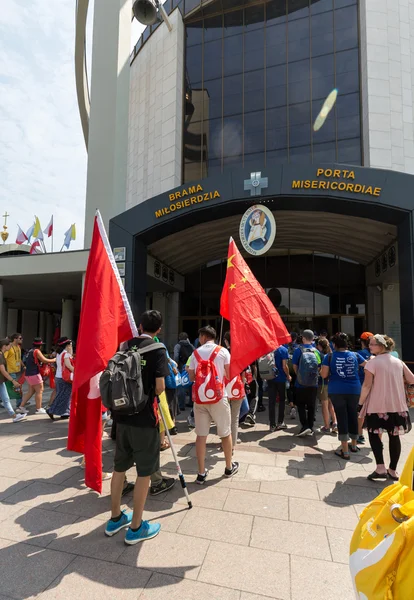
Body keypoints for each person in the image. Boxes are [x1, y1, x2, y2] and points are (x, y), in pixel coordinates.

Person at [105, 310, 169, 544]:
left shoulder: (123, 345)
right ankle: (136, 527)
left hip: (121, 417)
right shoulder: (157, 349)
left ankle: (115, 518)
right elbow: (160, 387)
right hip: (144, 418)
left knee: (119, 467)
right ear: (159, 329)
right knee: (144, 472)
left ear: (140, 325)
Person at [188, 325, 239, 483]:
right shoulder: (223, 351)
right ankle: (229, 467)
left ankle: (201, 473)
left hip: (200, 400)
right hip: (219, 397)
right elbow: (229, 374)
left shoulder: (195, 353)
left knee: (201, 436)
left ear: (203, 337)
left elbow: (191, 378)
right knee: (225, 433)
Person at [359, 334, 413, 481]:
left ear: (381, 346)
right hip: (397, 405)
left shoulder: (372, 363)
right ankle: (393, 470)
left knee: (374, 435)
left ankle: (380, 468)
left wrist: (360, 403)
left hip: (377, 406)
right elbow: (412, 379)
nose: (369, 346)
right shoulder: (398, 362)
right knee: (395, 437)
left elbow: (367, 386)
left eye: (372, 344)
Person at [320, 333, 366, 460]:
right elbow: (368, 365)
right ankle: (354, 445)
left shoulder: (329, 357)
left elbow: (324, 375)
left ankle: (345, 450)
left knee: (341, 417)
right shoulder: (355, 355)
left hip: (337, 390)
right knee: (353, 415)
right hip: (354, 389)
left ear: (334, 344)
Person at [292, 329, 322, 436]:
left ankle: (304, 426)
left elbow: (295, 366)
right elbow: (319, 367)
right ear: (313, 339)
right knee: (311, 406)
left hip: (300, 384)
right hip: (313, 384)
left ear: (303, 338)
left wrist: (300, 375)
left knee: (300, 405)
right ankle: (310, 426)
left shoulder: (298, 350)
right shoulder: (316, 351)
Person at [16, 338, 56, 415]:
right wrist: (54, 359)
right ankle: (39, 409)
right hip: (34, 373)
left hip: (28, 374)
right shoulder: (37, 351)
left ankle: (21, 407)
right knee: (40, 390)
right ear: (40, 345)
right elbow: (44, 360)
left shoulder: (30, 351)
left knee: (30, 391)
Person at [223, 331, 244, 449]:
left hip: (224, 387)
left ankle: (225, 443)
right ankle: (232, 446)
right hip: (237, 386)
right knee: (234, 419)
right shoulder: (239, 352)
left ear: (226, 341)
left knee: (225, 418)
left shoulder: (222, 353)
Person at [46, 337, 74, 420]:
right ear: (67, 345)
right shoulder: (66, 354)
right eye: (70, 344)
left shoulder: (59, 353)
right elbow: (69, 366)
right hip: (64, 378)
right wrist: (77, 371)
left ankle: (65, 413)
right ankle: (51, 410)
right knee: (64, 396)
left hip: (59, 377)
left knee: (63, 396)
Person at [0, 338, 26, 422]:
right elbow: (3, 371)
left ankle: (14, 416)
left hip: (1, 381)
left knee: (6, 398)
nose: (10, 347)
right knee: (5, 398)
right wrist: (13, 380)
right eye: (9, 345)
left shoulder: (2, 354)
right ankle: (14, 416)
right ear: (4, 346)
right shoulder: (0, 355)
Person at [268, 344, 291, 432]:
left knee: (271, 401)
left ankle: (272, 425)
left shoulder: (269, 348)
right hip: (281, 378)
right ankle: (280, 422)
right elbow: (284, 366)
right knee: (282, 400)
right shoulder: (283, 350)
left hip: (270, 377)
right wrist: (288, 375)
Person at [316, 338, 337, 434]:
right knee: (331, 404)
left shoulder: (321, 356)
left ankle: (327, 426)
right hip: (332, 383)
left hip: (323, 383)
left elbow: (321, 371)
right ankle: (335, 423)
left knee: (324, 405)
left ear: (320, 346)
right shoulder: (331, 355)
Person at [356, 332, 373, 443]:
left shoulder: (358, 354)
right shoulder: (376, 354)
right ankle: (375, 435)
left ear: (361, 342)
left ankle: (359, 434)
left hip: (361, 385)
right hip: (374, 386)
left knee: (360, 411)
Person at [174, 332, 194, 410]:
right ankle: (191, 402)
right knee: (191, 383)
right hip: (190, 366)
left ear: (179, 338)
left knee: (182, 385)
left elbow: (176, 356)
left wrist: (175, 366)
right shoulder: (191, 346)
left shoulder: (178, 346)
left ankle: (181, 405)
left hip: (182, 366)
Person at [4, 333, 25, 406]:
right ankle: (20, 403)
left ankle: (19, 402)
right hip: (10, 371)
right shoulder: (9, 348)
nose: (21, 339)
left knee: (9, 387)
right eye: (20, 338)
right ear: (15, 339)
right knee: (16, 387)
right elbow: (4, 358)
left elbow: (19, 359)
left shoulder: (18, 347)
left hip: (17, 371)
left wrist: (23, 366)